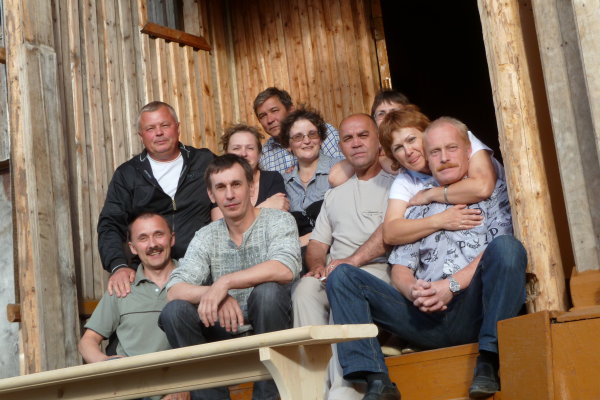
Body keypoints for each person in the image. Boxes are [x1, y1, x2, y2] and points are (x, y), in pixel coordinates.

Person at [326, 117, 527, 400]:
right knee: (342, 276)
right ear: (427, 159)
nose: (444, 158)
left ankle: (488, 362)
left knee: (508, 247)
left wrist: (450, 286)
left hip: (473, 310)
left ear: (468, 150)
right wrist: (414, 291)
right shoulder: (416, 203)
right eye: (435, 152)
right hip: (424, 317)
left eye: (451, 149)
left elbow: (498, 251)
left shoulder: (492, 192)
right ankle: (376, 380)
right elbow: (400, 268)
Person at [159, 154, 301, 400]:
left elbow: (284, 268)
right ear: (211, 195)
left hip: (271, 326)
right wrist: (214, 294)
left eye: (236, 184)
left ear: (251, 187)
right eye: (221, 187)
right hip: (225, 329)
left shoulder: (278, 220)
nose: (230, 195)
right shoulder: (206, 235)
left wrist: (225, 283)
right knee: (175, 311)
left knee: (267, 293)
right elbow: (174, 289)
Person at [292, 113, 395, 399]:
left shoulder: (395, 185)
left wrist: (348, 266)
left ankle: (346, 388)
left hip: (378, 271)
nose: (356, 143)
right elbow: (317, 243)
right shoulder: (335, 194)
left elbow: (391, 234)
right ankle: (312, 391)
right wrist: (316, 266)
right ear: (340, 147)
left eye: (363, 136)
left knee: (343, 283)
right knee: (305, 290)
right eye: (348, 138)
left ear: (378, 141)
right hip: (336, 269)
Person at [98, 101, 214, 298]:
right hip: (150, 273)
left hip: (206, 267)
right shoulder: (128, 174)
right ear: (141, 135)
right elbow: (110, 223)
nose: (159, 133)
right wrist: (118, 266)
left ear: (177, 127)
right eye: (150, 128)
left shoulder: (204, 161)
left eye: (165, 125)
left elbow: (233, 190)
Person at [79, 212, 188, 400]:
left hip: (175, 388)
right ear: (133, 248)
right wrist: (105, 363)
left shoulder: (192, 279)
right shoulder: (122, 287)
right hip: (128, 389)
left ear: (172, 239)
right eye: (143, 238)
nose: (152, 244)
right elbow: (87, 341)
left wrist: (188, 384)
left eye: (158, 235)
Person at [378, 109, 503, 246]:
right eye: (398, 148)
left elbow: (482, 187)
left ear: (426, 134)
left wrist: (429, 195)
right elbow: (390, 233)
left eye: (411, 140)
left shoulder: (459, 138)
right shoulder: (405, 180)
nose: (408, 151)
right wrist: (439, 220)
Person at [279, 108, 341, 246]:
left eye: (312, 134)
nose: (306, 141)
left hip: (336, 249)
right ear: (288, 145)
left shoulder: (340, 169)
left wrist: (300, 242)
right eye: (298, 137)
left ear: (321, 139)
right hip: (297, 254)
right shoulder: (283, 182)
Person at [253, 87, 343, 172]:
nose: (270, 120)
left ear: (291, 110)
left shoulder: (320, 132)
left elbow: (344, 167)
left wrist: (305, 170)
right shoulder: (263, 154)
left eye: (274, 110)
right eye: (262, 116)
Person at [211, 124, 289, 220]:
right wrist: (265, 207)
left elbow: (278, 218)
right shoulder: (220, 183)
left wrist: (237, 219)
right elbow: (221, 224)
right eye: (236, 148)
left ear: (259, 154)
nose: (243, 154)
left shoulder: (272, 178)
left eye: (250, 148)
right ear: (226, 154)